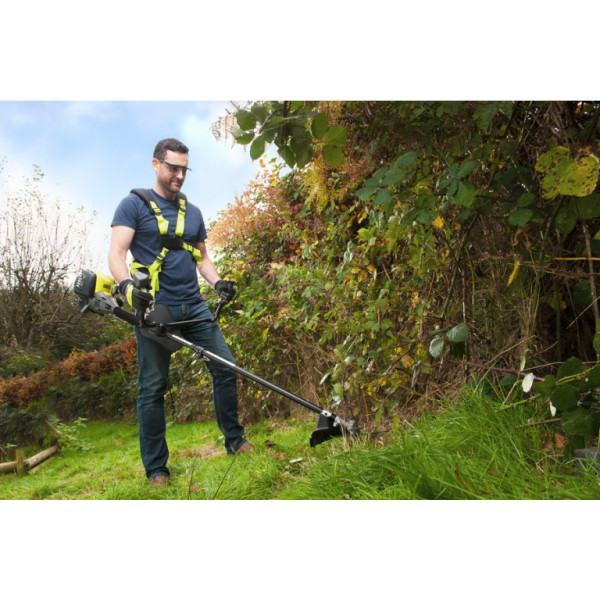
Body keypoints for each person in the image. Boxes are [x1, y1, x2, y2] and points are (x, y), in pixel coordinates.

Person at [108, 138, 253, 486]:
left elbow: (202, 258)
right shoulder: (133, 206)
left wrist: (218, 283)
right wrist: (127, 288)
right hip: (156, 310)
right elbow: (116, 254)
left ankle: (235, 441)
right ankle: (157, 470)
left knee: (225, 367)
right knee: (153, 387)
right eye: (173, 168)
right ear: (156, 164)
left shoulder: (194, 213)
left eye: (184, 169)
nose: (179, 175)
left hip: (194, 305)